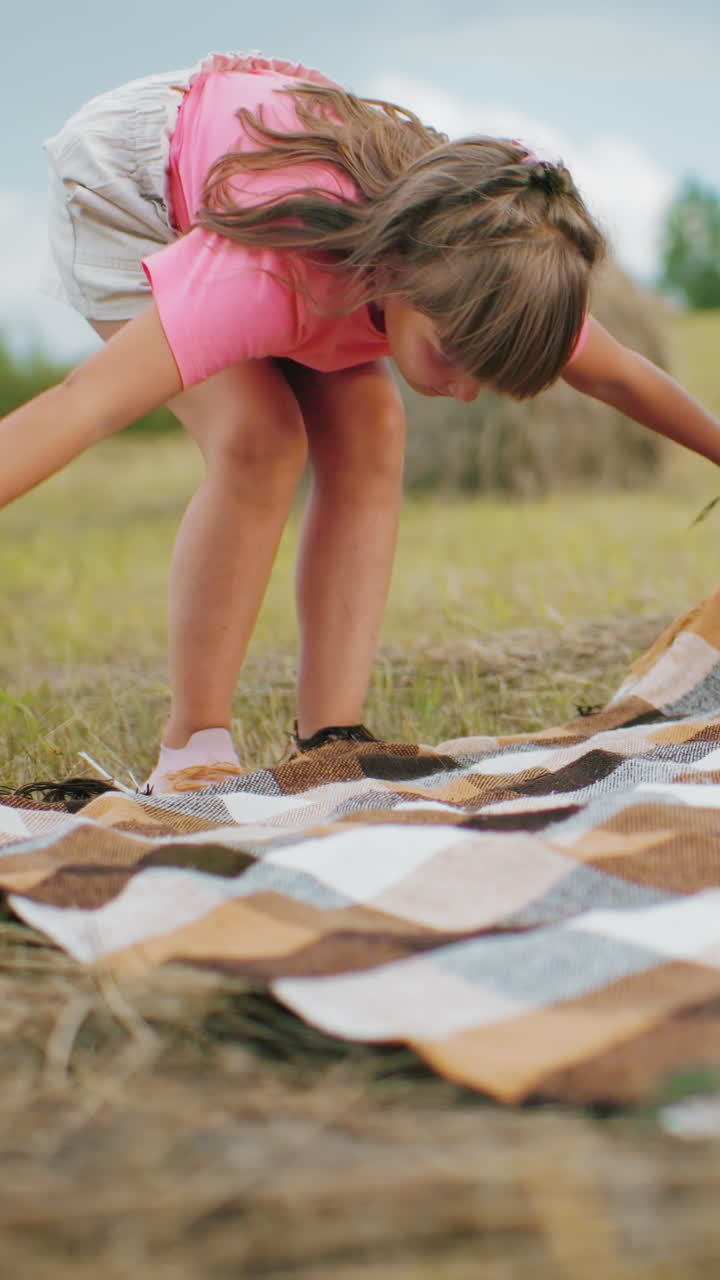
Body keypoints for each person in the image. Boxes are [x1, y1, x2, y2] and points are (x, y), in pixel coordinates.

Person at [5, 51, 720, 793]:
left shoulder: (492, 274)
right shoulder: (264, 278)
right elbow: (83, 403)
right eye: (451, 358)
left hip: (282, 180)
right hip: (133, 184)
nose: (465, 392)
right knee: (260, 438)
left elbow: (622, 374)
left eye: (486, 376)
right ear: (397, 273)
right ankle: (193, 743)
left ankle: (329, 738)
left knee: (375, 424)